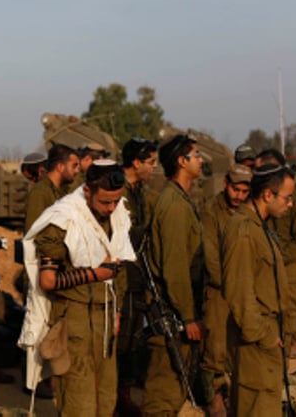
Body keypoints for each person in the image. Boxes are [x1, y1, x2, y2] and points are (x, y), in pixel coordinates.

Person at [19, 160, 135, 416]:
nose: (111, 207)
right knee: (78, 404)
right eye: (105, 202)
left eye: (116, 201)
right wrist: (95, 274)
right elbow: (48, 281)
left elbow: (120, 269)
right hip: (74, 321)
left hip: (104, 321)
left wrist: (116, 311)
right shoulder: (63, 219)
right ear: (87, 192)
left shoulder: (117, 217)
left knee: (105, 401)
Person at [222, 164, 293, 416]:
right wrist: (263, 336)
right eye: (287, 197)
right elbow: (238, 291)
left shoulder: (260, 228)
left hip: (266, 335)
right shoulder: (243, 230)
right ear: (267, 195)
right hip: (256, 340)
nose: (291, 204)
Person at [143, 134, 206, 415]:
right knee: (163, 394)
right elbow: (175, 267)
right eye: (196, 155)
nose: (201, 160)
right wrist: (189, 316)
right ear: (182, 162)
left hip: (179, 309)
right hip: (174, 312)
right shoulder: (174, 206)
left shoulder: (178, 200)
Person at [199, 164, 252, 414]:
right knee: (215, 349)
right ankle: (213, 397)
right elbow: (211, 258)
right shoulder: (210, 211)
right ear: (225, 185)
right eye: (235, 189)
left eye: (244, 191)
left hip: (244, 290)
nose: (238, 195)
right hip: (219, 290)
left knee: (238, 347)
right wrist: (232, 285)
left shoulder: (248, 212)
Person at [117, 137, 159, 411]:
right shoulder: (115, 190)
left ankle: (124, 394)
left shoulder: (140, 192)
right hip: (120, 276)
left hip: (137, 277)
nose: (154, 167)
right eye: (150, 162)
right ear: (136, 162)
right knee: (120, 341)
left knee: (132, 340)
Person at [257, 149, 296, 358]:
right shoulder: (264, 198)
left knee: (291, 317)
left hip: (289, 268)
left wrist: (279, 257)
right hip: (268, 267)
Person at [24, 144, 79, 231]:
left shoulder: (62, 190)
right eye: (74, 166)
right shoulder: (40, 193)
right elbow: (33, 232)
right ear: (60, 167)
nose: (77, 170)